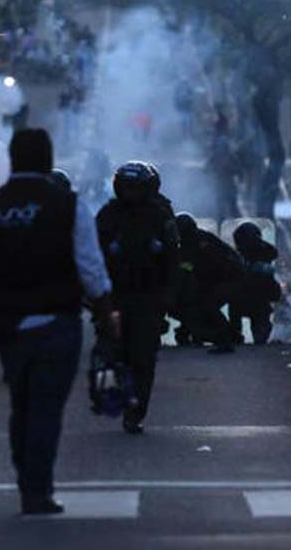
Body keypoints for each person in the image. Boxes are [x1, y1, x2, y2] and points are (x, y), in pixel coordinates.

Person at [0, 128, 118, 516]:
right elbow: (91, 268)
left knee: (21, 404)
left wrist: (6, 280)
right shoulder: (67, 204)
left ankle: (25, 481)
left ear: (12, 159)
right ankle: (37, 489)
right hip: (57, 321)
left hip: (9, 324)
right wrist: (106, 309)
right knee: (46, 408)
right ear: (47, 160)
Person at [96, 161, 179, 434]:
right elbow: (93, 257)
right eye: (126, 186)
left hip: (148, 297)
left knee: (143, 357)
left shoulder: (161, 216)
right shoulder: (108, 215)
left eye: (136, 187)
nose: (130, 192)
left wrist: (167, 297)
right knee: (111, 353)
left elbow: (172, 259)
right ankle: (117, 395)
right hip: (114, 297)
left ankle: (135, 410)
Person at [173, 213, 244, 353]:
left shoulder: (197, 241)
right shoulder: (196, 239)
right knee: (202, 302)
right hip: (224, 277)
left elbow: (197, 265)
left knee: (208, 303)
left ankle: (226, 339)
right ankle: (224, 335)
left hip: (230, 278)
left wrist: (180, 268)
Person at [230, 222, 282, 344]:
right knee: (235, 306)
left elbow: (271, 255)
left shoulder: (264, 252)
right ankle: (236, 335)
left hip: (259, 294)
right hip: (244, 294)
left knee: (259, 318)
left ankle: (247, 335)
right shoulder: (239, 254)